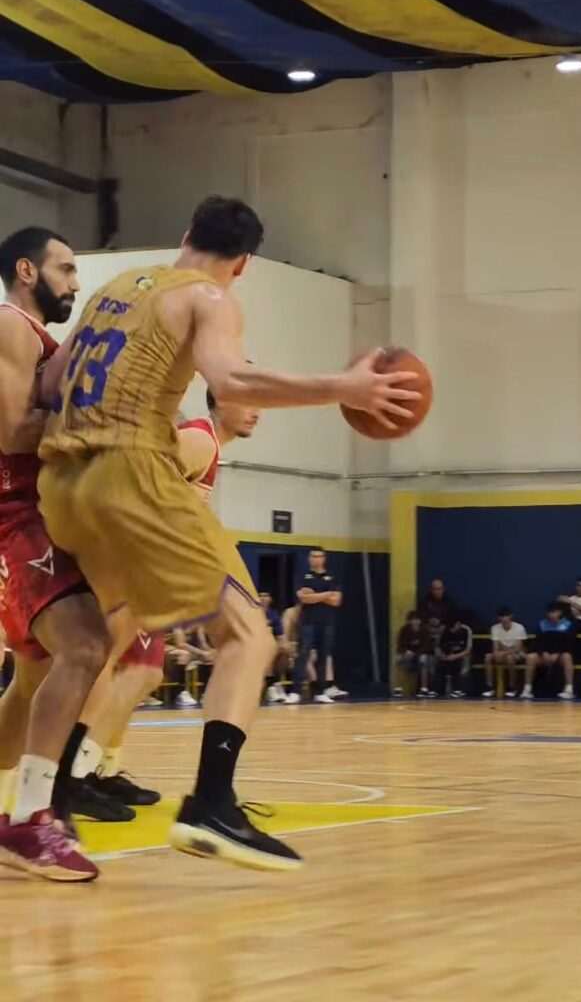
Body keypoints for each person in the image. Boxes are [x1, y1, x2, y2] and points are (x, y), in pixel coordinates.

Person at [35, 195, 419, 871]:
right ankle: (212, 805)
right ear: (242, 264)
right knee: (250, 635)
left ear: (187, 233)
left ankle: (50, 800)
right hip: (129, 472)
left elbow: (52, 381)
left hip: (61, 483)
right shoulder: (208, 297)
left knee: (101, 642)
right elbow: (231, 376)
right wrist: (344, 387)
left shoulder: (114, 289)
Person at [65, 390, 262, 817]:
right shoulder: (200, 440)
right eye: (249, 400)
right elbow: (135, 480)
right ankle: (73, 775)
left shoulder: (206, 445)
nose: (257, 410)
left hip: (145, 564)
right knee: (114, 662)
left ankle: (96, 769)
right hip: (128, 558)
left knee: (144, 670)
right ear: (220, 399)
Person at [0, 227, 113, 882]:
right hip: (15, 515)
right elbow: (13, 431)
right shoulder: (11, 325)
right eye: (65, 268)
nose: (74, 281)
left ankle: (23, 814)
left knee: (32, 683)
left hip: (39, 514)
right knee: (87, 645)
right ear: (26, 270)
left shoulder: (38, 340)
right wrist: (107, 421)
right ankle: (31, 818)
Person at [290, 548, 345, 705]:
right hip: (307, 622)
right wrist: (327, 594)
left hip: (326, 622)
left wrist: (314, 595)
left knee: (323, 656)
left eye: (318, 556)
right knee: (303, 655)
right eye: (313, 556)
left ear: (324, 558)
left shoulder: (332, 576)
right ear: (309, 558)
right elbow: (303, 598)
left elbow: (336, 601)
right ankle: (295, 692)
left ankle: (320, 692)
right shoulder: (303, 576)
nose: (315, 559)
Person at [520, 603, 575, 701]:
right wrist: (543, 653)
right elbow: (538, 642)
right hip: (544, 655)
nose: (551, 615)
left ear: (559, 613)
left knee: (567, 657)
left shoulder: (568, 625)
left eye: (554, 612)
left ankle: (569, 690)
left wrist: (557, 653)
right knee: (530, 657)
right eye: (549, 613)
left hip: (559, 655)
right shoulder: (542, 625)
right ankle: (527, 689)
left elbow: (569, 643)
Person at [484, 607, 526, 698]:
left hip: (517, 653)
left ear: (511, 616)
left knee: (510, 658)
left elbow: (519, 648)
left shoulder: (519, 627)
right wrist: (496, 654)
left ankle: (512, 687)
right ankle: (490, 687)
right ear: (499, 618)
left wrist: (505, 653)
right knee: (488, 657)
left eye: (506, 616)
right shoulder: (495, 628)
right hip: (502, 653)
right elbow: (495, 647)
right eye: (502, 616)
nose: (504, 618)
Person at [394, 611, 435, 698]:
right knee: (398, 659)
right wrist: (405, 652)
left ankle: (424, 689)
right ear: (409, 621)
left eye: (417, 620)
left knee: (423, 658)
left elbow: (427, 647)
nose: (415, 622)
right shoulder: (404, 630)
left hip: (420, 655)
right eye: (413, 620)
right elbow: (400, 645)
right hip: (408, 656)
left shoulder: (425, 630)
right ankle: (398, 689)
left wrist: (415, 654)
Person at [436, 616, 473, 698]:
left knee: (464, 665)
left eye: (454, 628)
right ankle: (438, 690)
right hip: (448, 654)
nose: (452, 630)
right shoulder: (444, 630)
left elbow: (468, 650)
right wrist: (441, 654)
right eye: (451, 629)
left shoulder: (466, 630)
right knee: (439, 664)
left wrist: (456, 656)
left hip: (462, 654)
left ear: (458, 624)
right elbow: (438, 646)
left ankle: (461, 690)